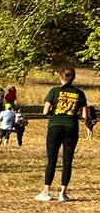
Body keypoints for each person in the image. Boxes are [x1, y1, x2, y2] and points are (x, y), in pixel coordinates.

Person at [36, 68, 88, 202]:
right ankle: (63, 193)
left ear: (60, 77)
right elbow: (84, 115)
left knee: (52, 159)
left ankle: (46, 191)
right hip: (71, 127)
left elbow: (45, 111)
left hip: (55, 126)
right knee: (67, 161)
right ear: (73, 78)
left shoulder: (54, 91)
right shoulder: (80, 93)